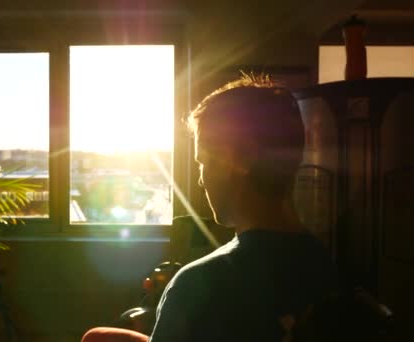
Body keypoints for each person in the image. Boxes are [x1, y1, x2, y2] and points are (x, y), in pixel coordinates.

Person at [82, 74, 337, 342]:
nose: (201, 179)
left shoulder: (196, 285)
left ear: (244, 159)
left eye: (204, 161)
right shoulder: (325, 264)